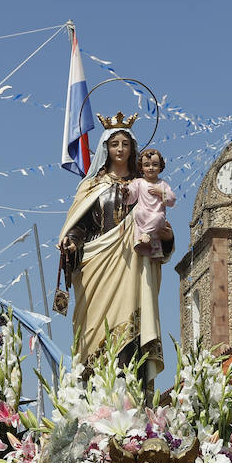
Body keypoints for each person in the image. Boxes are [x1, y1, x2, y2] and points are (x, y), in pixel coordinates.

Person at [57, 121, 173, 382]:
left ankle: (131, 398)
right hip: (97, 265)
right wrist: (72, 242)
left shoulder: (145, 185)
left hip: (134, 264)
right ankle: (94, 398)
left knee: (131, 334)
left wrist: (167, 237)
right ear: (106, 148)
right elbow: (79, 226)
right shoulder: (91, 187)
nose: (120, 149)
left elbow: (157, 220)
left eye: (125, 144)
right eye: (114, 144)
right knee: (95, 334)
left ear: (133, 149)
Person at [126, 148, 176, 257]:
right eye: (147, 165)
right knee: (138, 213)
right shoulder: (139, 182)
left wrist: (161, 192)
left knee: (158, 218)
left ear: (160, 167)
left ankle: (147, 234)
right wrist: (125, 192)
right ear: (141, 167)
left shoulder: (162, 184)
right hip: (142, 214)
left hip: (157, 215)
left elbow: (172, 200)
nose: (151, 168)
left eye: (155, 164)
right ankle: (144, 235)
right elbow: (130, 196)